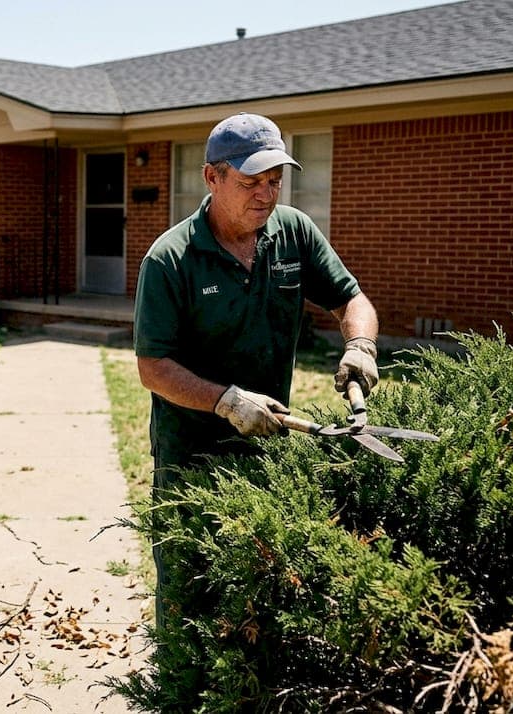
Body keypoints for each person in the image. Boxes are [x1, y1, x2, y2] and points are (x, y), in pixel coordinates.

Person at [133, 112, 379, 627]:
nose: (266, 195)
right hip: (191, 455)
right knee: (188, 588)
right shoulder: (170, 259)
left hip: (269, 445)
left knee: (258, 586)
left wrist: (360, 346)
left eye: (274, 181)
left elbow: (350, 298)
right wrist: (226, 401)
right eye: (250, 182)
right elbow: (153, 367)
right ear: (212, 177)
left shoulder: (293, 233)